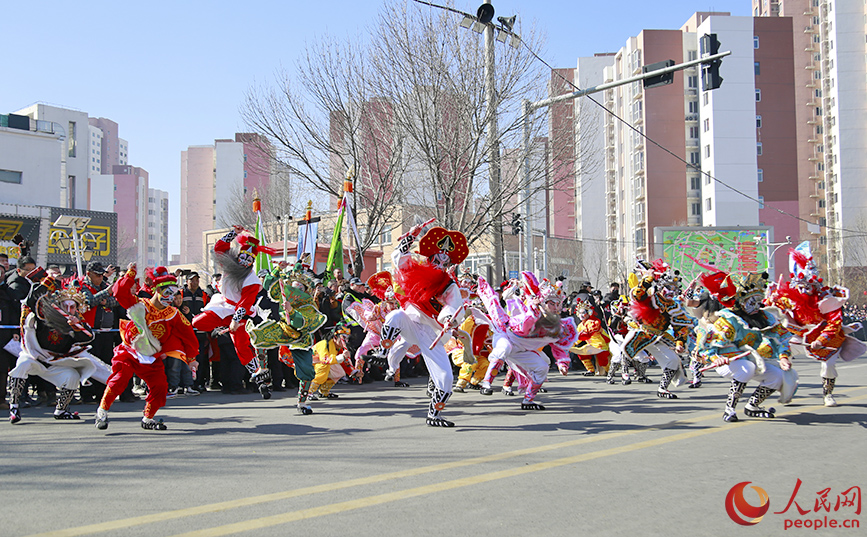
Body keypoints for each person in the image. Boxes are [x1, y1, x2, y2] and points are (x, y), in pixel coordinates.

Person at [379, 221, 470, 427]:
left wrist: (448, 320)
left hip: (433, 335)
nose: (440, 264)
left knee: (446, 380)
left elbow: (454, 307)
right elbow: (398, 259)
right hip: (411, 322)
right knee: (394, 316)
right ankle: (382, 352)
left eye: (445, 262)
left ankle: (433, 415)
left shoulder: (449, 284)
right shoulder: (416, 268)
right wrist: (410, 238)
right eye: (437, 258)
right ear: (430, 257)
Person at [95, 265, 199, 431]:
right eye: (167, 293)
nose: (170, 298)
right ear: (157, 290)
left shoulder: (173, 314)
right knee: (119, 380)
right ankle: (102, 411)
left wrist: (192, 358)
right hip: (130, 352)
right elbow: (120, 292)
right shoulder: (139, 304)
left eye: (174, 294)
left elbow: (189, 336)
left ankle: (148, 418)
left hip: (152, 356)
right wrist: (130, 274)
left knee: (160, 387)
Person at [766, 243, 866, 407]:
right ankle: (788, 386)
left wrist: (821, 340)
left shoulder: (827, 298)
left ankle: (828, 394)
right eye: (801, 286)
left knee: (828, 365)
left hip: (825, 339)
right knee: (782, 356)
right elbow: (771, 308)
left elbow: (834, 323)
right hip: (799, 336)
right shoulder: (790, 297)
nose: (805, 290)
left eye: (808, 286)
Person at [8, 274, 111, 423]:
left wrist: (76, 328)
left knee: (72, 377)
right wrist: (47, 281)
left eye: (72, 306)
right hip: (36, 357)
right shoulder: (46, 316)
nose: (69, 309)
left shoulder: (77, 321)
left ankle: (61, 410)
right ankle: (14, 406)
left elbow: (88, 338)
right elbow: (32, 300)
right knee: (22, 364)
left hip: (57, 362)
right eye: (65, 306)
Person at [192, 226, 279, 399]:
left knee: (241, 347)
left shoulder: (252, 280)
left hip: (239, 311)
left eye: (249, 259)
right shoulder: (229, 264)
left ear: (252, 262)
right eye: (243, 257)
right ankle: (222, 328)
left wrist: (236, 320)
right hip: (222, 304)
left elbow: (245, 302)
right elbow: (218, 248)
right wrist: (233, 234)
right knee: (197, 323)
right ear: (239, 256)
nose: (245, 261)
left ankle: (259, 377)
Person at [181, 271, 211, 392]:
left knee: (200, 360)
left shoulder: (203, 294)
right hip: (185, 332)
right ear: (187, 281)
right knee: (185, 359)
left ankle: (199, 383)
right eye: (192, 280)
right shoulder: (182, 293)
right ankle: (185, 384)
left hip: (200, 332)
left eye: (197, 280)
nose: (194, 283)